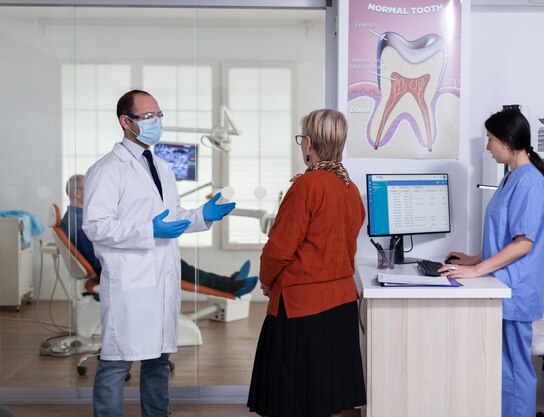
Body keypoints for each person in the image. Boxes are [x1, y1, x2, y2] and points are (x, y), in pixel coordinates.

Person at [82, 89, 236, 417]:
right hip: (130, 283)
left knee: (158, 361)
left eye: (159, 115)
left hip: (161, 280)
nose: (156, 122)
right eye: (148, 116)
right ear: (126, 122)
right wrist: (149, 230)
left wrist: (201, 216)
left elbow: (171, 215)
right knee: (115, 363)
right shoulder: (107, 170)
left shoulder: (163, 167)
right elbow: (96, 226)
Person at [247, 109, 366, 417]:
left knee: (291, 399)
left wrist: (267, 280)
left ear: (310, 143)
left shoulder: (307, 186)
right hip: (340, 305)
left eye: (302, 140)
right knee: (327, 398)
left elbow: (279, 248)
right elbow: (346, 246)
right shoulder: (351, 190)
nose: (302, 146)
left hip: (301, 308)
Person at [438, 108, 544, 417]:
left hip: (514, 290)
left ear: (506, 140)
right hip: (501, 285)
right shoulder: (512, 178)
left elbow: (523, 244)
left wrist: (475, 270)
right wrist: (472, 257)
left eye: (490, 140)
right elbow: (504, 237)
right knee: (502, 368)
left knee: (514, 371)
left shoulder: (528, 182)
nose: (487, 147)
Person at [63, 174, 257, 297]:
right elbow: (101, 255)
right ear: (78, 194)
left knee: (182, 266)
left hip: (128, 260)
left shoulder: (76, 217)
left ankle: (229, 282)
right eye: (92, 188)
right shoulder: (81, 222)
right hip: (123, 268)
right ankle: (231, 286)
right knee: (178, 267)